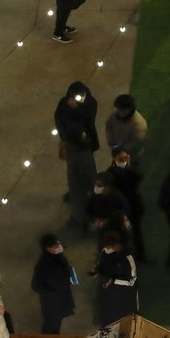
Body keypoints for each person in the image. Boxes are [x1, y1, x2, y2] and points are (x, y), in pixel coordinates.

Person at [55, 82, 100, 230]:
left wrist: (77, 108)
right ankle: (79, 214)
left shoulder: (91, 103)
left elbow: (88, 120)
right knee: (74, 177)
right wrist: (65, 137)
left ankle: (91, 213)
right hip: (71, 142)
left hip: (84, 143)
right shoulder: (64, 103)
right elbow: (59, 119)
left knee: (87, 173)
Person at [29, 233, 76, 334]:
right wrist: (51, 293)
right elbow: (35, 285)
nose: (59, 247)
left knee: (56, 324)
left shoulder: (59, 256)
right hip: (52, 304)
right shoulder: (43, 264)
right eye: (55, 246)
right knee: (50, 325)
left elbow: (67, 269)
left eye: (59, 245)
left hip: (60, 299)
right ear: (48, 248)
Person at [107, 147, 147, 262]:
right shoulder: (111, 172)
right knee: (125, 235)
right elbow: (124, 183)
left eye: (125, 157)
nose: (123, 160)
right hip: (123, 209)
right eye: (121, 158)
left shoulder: (130, 168)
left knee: (138, 232)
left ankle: (141, 255)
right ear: (114, 158)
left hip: (134, 206)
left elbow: (138, 178)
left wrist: (129, 167)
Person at [95, 230, 139, 325]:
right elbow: (102, 266)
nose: (107, 249)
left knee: (125, 322)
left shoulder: (127, 257)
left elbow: (132, 280)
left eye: (110, 247)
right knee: (108, 321)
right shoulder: (104, 252)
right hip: (109, 296)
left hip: (125, 296)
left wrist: (114, 280)